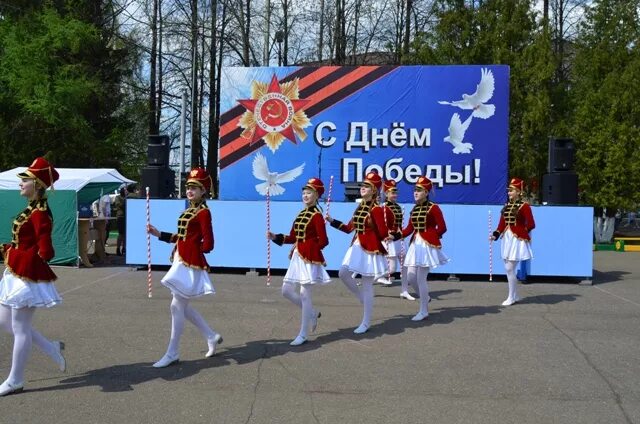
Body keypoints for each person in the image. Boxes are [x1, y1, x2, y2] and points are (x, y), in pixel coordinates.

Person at [0, 157, 66, 396]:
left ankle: (15, 379)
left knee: (19, 327)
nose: (20, 184)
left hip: (26, 274)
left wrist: (36, 252)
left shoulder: (40, 213)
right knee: (4, 322)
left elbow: (47, 250)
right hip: (17, 269)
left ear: (37, 185)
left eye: (25, 180)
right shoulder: (31, 209)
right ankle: (51, 348)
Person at [146, 168, 222, 367]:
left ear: (203, 191)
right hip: (181, 259)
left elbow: (209, 243)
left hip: (190, 262)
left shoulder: (204, 212)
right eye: (188, 187)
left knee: (176, 305)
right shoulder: (188, 210)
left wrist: (195, 248)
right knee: (181, 306)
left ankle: (172, 352)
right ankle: (211, 336)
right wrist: (158, 234)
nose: (190, 191)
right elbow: (181, 237)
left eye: (195, 188)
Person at [325, 170, 394, 334]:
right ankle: (362, 298)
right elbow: (349, 228)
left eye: (367, 186)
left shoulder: (377, 209)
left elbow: (384, 233)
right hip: (356, 245)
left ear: (374, 190)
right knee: (343, 273)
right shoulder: (359, 207)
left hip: (371, 248)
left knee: (368, 284)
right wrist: (332, 221)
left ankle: (366, 321)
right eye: (362, 185)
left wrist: (393, 233)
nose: (362, 188)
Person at [267, 178, 331, 346]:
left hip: (309, 258)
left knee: (304, 294)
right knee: (286, 290)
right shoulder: (300, 214)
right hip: (298, 257)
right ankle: (312, 313)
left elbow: (324, 241)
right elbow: (293, 237)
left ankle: (303, 334)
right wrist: (276, 237)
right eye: (303, 193)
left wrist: (312, 250)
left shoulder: (317, 216)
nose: (305, 195)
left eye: (309, 192)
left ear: (317, 195)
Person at [396, 176, 449, 321]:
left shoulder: (434, 208)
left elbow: (442, 227)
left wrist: (432, 237)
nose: (415, 192)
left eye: (419, 190)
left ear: (426, 192)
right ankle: (426, 298)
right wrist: (394, 236)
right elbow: (408, 229)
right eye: (415, 190)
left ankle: (423, 310)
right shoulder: (414, 209)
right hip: (415, 244)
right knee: (411, 277)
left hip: (427, 246)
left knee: (420, 278)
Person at [490, 177, 535, 306]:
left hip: (517, 239)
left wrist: (522, 232)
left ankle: (511, 296)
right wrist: (495, 235)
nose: (509, 193)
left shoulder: (524, 206)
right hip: (507, 238)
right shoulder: (506, 206)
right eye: (509, 190)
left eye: (512, 190)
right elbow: (501, 224)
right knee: (510, 269)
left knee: (509, 268)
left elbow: (531, 224)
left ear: (519, 192)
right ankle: (515, 295)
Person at [111, 185, 127, 256]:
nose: (126, 191)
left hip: (126, 216)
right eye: (124, 190)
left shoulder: (127, 197)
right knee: (121, 234)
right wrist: (125, 202)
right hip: (120, 216)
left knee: (126, 234)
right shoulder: (118, 197)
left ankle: (124, 248)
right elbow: (118, 205)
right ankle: (118, 249)